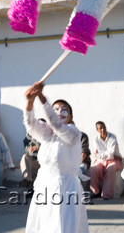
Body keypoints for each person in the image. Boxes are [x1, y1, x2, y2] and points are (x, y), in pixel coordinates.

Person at [24, 82, 88, 233]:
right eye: (56, 109)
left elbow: (57, 124)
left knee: (63, 226)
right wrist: (30, 101)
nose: (59, 112)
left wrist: (41, 97)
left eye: (64, 110)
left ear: (71, 116)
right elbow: (30, 124)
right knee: (44, 226)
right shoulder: (47, 134)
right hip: (44, 187)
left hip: (65, 188)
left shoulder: (73, 132)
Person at [89, 121, 123, 200]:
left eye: (104, 127)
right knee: (94, 169)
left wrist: (104, 155)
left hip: (115, 160)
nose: (103, 129)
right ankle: (95, 192)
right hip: (103, 160)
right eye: (100, 128)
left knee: (110, 169)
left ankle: (106, 195)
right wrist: (106, 155)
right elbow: (97, 154)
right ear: (97, 130)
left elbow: (111, 153)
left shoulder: (112, 137)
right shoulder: (96, 140)